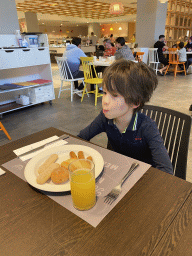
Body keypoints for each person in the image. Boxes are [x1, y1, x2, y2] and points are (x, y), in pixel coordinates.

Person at [78, 59, 173, 175]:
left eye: (114, 95)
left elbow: (167, 170)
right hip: (118, 172)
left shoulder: (147, 127)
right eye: (105, 92)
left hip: (143, 177)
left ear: (135, 102)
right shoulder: (105, 118)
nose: (105, 101)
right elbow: (81, 138)